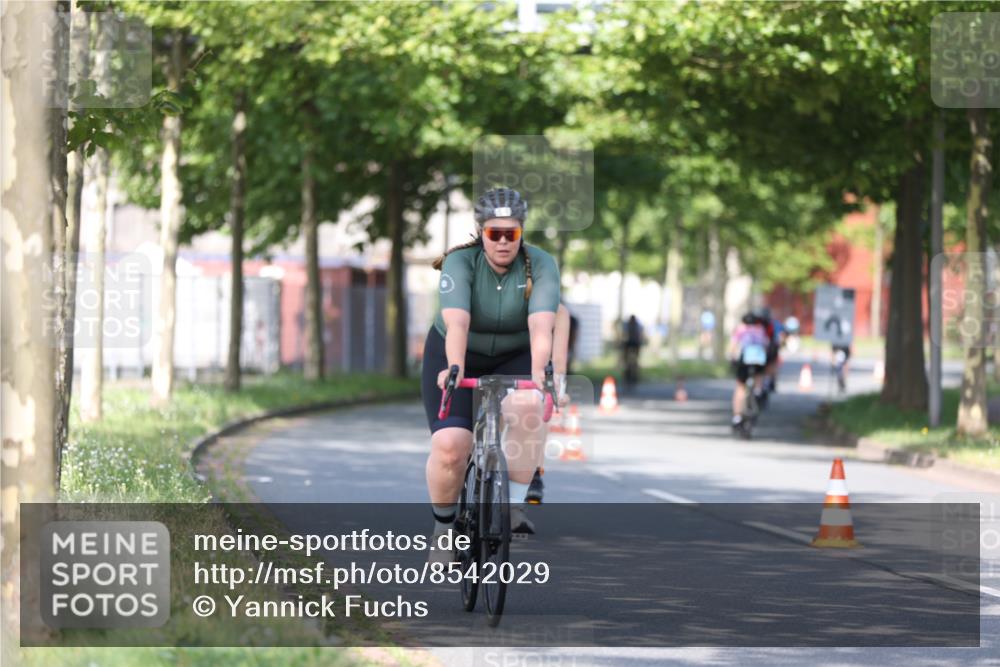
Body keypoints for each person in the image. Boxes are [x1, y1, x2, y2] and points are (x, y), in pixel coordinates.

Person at [422, 187, 560, 563]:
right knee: (451, 444)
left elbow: (542, 329)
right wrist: (454, 369)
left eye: (511, 234)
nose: (502, 242)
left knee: (529, 406)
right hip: (457, 351)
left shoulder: (542, 264)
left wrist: (541, 378)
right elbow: (458, 324)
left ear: (522, 233)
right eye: (494, 234)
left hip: (516, 353)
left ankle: (513, 506)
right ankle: (443, 531)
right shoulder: (461, 263)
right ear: (481, 232)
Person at [526, 302, 574, 504]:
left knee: (539, 401)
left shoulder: (559, 311)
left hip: (535, 371)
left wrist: (558, 389)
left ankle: (535, 471)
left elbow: (559, 360)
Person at [729, 312, 770, 429]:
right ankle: (758, 391)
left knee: (740, 387)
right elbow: (765, 345)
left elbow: (733, 345)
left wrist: (732, 359)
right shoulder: (760, 329)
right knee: (759, 375)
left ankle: (737, 417)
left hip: (744, 360)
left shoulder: (741, 329)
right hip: (759, 359)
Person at [623, 315, 644, 388]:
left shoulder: (628, 325)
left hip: (632, 344)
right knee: (632, 361)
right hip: (632, 344)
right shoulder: (637, 325)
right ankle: (632, 373)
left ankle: (632, 374)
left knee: (630, 361)